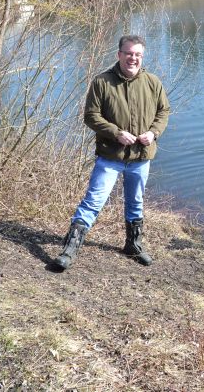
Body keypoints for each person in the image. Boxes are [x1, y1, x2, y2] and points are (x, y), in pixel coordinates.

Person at [54, 35, 170, 270]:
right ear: (119, 54)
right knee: (93, 201)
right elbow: (91, 116)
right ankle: (70, 249)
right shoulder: (102, 82)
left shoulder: (152, 82)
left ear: (142, 57)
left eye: (137, 54)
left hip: (141, 156)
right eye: (128, 53)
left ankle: (133, 245)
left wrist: (153, 133)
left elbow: (163, 111)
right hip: (110, 156)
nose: (133, 58)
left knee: (135, 202)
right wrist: (116, 133)